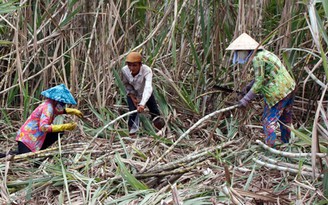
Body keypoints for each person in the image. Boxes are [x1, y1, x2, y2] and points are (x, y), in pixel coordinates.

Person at [226, 33, 296, 147]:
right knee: (285, 118)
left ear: (246, 50)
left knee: (268, 121)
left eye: (239, 51)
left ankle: (270, 148)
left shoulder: (257, 59)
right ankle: (286, 145)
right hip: (289, 87)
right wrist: (248, 87)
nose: (238, 54)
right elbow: (264, 76)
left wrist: (246, 99)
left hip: (278, 92)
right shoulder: (265, 54)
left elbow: (259, 82)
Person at [15, 84, 83, 154]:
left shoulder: (50, 104)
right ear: (56, 100)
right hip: (27, 139)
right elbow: (43, 127)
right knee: (27, 161)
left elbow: (55, 111)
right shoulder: (48, 108)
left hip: (33, 137)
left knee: (59, 133)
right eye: (62, 103)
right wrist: (64, 126)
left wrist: (70, 111)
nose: (63, 105)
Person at [121, 51, 164, 136]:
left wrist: (142, 104)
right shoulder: (124, 70)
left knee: (155, 112)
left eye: (134, 65)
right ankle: (132, 135)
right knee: (133, 113)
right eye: (129, 65)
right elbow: (126, 84)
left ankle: (160, 132)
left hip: (145, 93)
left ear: (140, 65)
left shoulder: (147, 70)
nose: (131, 68)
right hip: (133, 93)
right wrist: (132, 96)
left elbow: (148, 87)